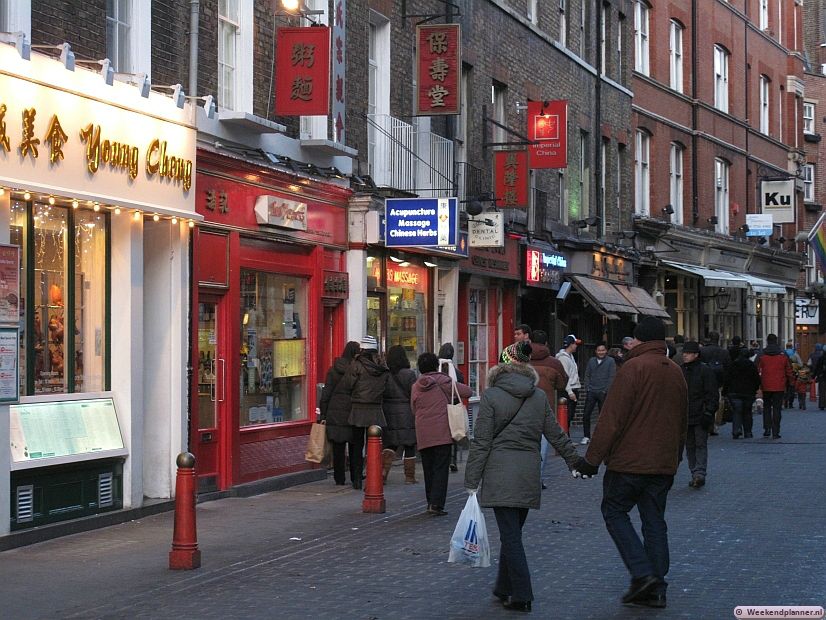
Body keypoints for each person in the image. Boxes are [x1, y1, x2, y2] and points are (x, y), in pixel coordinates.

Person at [464, 341, 584, 613]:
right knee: (513, 533)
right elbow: (555, 433)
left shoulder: (492, 396)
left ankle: (522, 593)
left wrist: (472, 480)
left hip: (500, 473)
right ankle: (503, 587)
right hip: (528, 472)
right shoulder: (538, 396)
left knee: (511, 536)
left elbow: (481, 442)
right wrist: (574, 461)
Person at [577, 316, 687, 609]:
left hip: (629, 461)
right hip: (662, 462)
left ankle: (642, 572)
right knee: (654, 521)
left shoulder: (632, 369)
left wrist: (591, 460)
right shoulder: (675, 371)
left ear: (639, 340)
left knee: (614, 511)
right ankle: (658, 587)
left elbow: (611, 419)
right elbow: (682, 420)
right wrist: (675, 456)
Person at [411, 352, 471, 516]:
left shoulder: (416, 385)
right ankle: (436, 504)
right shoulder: (444, 381)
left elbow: (413, 408)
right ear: (436, 365)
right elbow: (467, 392)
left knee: (428, 468)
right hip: (442, 432)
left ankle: (430, 500)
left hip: (423, 432)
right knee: (440, 468)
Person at [341, 336, 389, 489]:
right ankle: (373, 476)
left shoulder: (356, 365)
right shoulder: (382, 365)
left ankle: (356, 478)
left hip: (358, 408)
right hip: (375, 409)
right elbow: (386, 387)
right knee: (374, 445)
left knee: (356, 445)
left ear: (362, 348)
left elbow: (347, 384)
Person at [529, 330, 569, 489]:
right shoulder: (554, 362)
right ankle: (537, 478)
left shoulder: (520, 358)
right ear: (546, 343)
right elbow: (562, 384)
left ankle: (525, 476)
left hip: (522, 406)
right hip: (545, 407)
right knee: (543, 443)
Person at [319, 341, 360, 486]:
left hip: (335, 412)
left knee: (338, 448)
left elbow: (326, 393)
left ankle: (339, 478)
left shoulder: (333, 370)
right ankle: (356, 477)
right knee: (355, 446)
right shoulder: (358, 370)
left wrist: (323, 414)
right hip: (353, 411)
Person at [681, 341, 718, 487]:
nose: (685, 355)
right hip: (686, 415)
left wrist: (708, 412)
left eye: (688, 353)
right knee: (690, 445)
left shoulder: (704, 370)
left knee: (700, 444)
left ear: (696, 355)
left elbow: (712, 394)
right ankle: (695, 472)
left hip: (700, 414)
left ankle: (699, 473)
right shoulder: (681, 370)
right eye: (684, 353)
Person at [382, 345, 418, 484]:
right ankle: (410, 476)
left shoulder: (385, 374)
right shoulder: (409, 374)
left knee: (390, 443)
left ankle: (383, 472)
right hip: (406, 411)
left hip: (388, 411)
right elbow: (414, 394)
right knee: (409, 445)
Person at [757, 334, 794, 439]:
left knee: (767, 408)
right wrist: (791, 382)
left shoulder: (762, 355)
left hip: (766, 384)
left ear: (767, 341)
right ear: (776, 341)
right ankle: (776, 431)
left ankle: (767, 428)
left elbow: (757, 369)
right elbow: (788, 370)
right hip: (779, 385)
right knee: (777, 408)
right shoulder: (783, 355)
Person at [580, 343, 616, 445]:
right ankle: (586, 436)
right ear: (595, 351)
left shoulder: (610, 361)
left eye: (603, 350)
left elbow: (611, 377)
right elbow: (587, 374)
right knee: (586, 414)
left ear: (606, 351)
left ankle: (602, 437)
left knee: (603, 416)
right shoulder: (591, 361)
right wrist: (587, 387)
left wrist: (605, 390)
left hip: (603, 392)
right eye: (599, 350)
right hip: (591, 391)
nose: (601, 352)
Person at [438, 342, 465, 473]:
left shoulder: (435, 371)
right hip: (452, 404)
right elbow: (463, 388)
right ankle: (452, 460)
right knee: (453, 432)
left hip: (438, 405)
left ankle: (442, 459)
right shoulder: (457, 373)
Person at [722, 348, 761, 439]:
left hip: (734, 392)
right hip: (748, 393)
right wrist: (754, 389)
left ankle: (736, 430)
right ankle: (748, 432)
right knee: (747, 412)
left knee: (736, 411)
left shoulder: (733, 364)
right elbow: (756, 379)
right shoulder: (751, 365)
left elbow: (727, 379)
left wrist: (725, 391)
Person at [700, 331, 730, 435]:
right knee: (717, 402)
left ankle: (706, 423)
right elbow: (728, 369)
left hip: (704, 381)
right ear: (718, 339)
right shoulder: (724, 352)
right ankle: (714, 425)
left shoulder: (702, 351)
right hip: (718, 382)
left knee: (704, 402)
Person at [556, 334, 582, 405]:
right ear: (571, 344)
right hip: (568, 391)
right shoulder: (563, 358)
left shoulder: (570, 356)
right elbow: (564, 376)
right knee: (568, 414)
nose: (576, 346)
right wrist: (570, 392)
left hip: (573, 389)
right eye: (575, 344)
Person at [783, 342, 804, 408]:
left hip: (785, 373)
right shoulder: (795, 353)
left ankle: (785, 402)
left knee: (785, 388)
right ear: (791, 346)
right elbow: (801, 364)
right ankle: (790, 404)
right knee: (791, 388)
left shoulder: (783, 353)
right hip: (793, 373)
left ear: (786, 347)